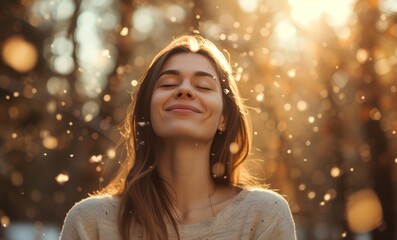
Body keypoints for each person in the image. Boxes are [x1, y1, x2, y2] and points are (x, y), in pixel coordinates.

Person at [60, 34, 297, 240]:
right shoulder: (90, 222)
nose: (184, 90)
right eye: (168, 83)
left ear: (223, 117)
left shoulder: (263, 215)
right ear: (147, 112)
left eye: (203, 86)